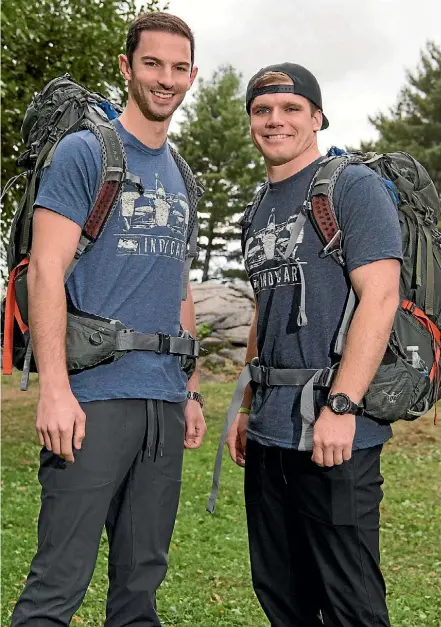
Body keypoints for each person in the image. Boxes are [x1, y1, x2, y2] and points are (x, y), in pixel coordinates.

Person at [11, 12, 206, 627]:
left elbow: (177, 284)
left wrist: (192, 389)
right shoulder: (85, 152)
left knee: (140, 589)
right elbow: (45, 270)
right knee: (56, 587)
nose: (165, 78)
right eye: (152, 63)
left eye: (178, 68)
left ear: (192, 76)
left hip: (163, 406)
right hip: (92, 400)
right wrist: (54, 391)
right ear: (127, 67)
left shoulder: (183, 175)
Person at [226, 63, 403, 627]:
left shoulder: (351, 186)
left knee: (351, 602)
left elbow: (380, 297)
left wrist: (343, 407)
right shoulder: (257, 207)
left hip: (335, 431)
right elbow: (264, 306)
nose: (274, 120)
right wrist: (248, 405)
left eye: (290, 108)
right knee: (281, 594)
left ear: (317, 117)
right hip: (271, 432)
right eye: (262, 110)